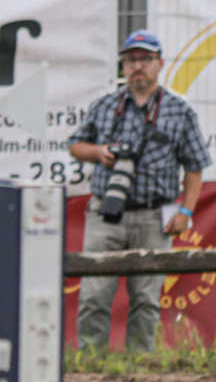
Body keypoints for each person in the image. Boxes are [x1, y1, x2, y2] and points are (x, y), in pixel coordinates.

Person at [68, 29, 210, 352]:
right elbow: (75, 145)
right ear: (123, 66)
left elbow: (195, 167)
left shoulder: (179, 110)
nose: (138, 66)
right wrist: (99, 152)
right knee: (94, 295)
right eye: (131, 60)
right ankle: (91, 364)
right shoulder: (104, 106)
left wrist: (185, 212)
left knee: (146, 299)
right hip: (106, 213)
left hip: (154, 215)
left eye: (145, 59)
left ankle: (141, 367)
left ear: (160, 63)